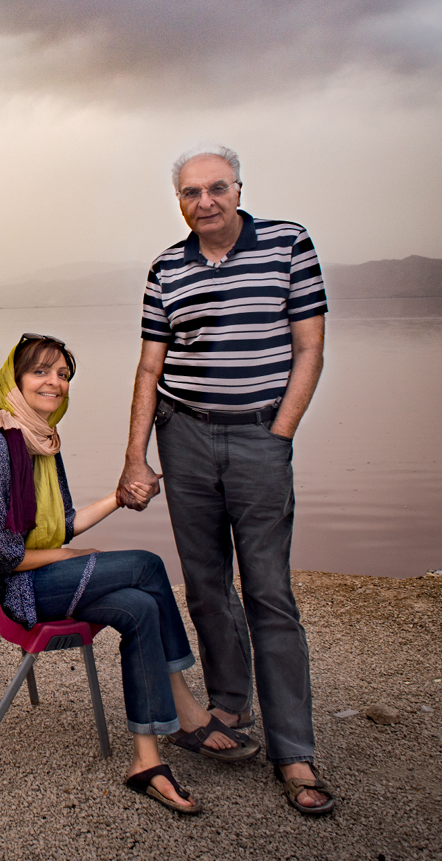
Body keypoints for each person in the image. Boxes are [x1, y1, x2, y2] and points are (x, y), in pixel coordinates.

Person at [0, 333, 259, 814]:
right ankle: (185, 708)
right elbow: (5, 558)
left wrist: (121, 497)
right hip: (17, 590)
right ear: (14, 379)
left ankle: (146, 760)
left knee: (138, 607)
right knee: (147, 565)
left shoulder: (41, 440)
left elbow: (64, 523)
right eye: (41, 372)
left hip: (31, 578)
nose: (55, 383)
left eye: (63, 374)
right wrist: (68, 558)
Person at [117, 145, 334, 816]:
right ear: (178, 200)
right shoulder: (165, 268)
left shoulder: (288, 244)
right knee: (207, 586)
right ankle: (229, 707)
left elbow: (310, 347)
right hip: (183, 436)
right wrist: (135, 457)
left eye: (216, 188)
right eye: (190, 192)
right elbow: (150, 369)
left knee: (269, 591)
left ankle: (294, 751)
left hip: (259, 435)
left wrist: (281, 432)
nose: (204, 201)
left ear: (238, 188)